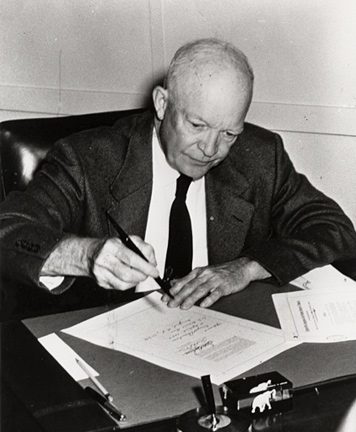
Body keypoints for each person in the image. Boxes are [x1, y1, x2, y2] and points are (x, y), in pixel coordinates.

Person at [1, 38, 356, 310]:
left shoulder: (260, 157)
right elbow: (8, 232)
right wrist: (86, 255)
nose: (211, 149)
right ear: (162, 103)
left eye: (229, 133)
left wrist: (246, 268)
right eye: (197, 125)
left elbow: (335, 229)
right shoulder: (89, 159)